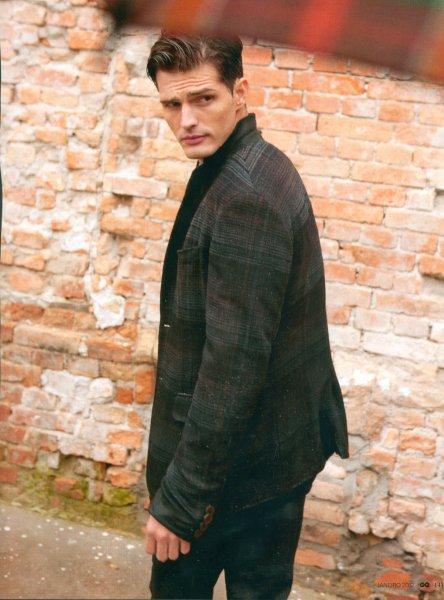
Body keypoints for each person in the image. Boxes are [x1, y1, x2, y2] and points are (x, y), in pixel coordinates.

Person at [143, 33, 349, 599]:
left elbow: (231, 369)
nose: (186, 119)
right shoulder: (258, 163)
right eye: (171, 104)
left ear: (240, 92)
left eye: (203, 98)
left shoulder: (245, 196)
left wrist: (181, 501)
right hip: (276, 457)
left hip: (234, 477)